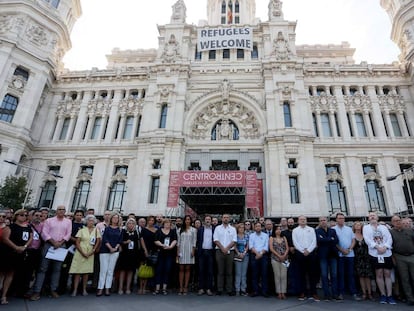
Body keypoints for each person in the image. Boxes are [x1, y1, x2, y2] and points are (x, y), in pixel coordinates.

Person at [30, 205, 72, 301]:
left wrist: (60, 243)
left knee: (57, 269)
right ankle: (37, 291)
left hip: (61, 247)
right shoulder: (49, 221)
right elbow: (44, 232)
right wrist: (53, 242)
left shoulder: (68, 221)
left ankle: (53, 290)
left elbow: (68, 234)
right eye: (59, 209)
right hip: (49, 245)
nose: (61, 211)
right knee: (42, 269)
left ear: (65, 211)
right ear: (56, 211)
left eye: (63, 210)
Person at [1, 209, 33, 304]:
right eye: (21, 215)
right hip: (8, 253)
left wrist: (25, 247)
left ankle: (4, 296)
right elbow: (5, 239)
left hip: (20, 254)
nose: (24, 216)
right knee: (2, 274)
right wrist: (16, 247)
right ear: (16, 215)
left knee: (10, 274)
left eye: (26, 215)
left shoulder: (28, 227)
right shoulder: (10, 227)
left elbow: (31, 237)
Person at [363, 212, 395, 304]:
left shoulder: (384, 227)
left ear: (377, 217)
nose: (372, 216)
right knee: (379, 274)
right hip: (375, 253)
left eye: (374, 215)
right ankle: (383, 294)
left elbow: (389, 238)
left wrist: (385, 247)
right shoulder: (366, 228)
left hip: (386, 253)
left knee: (387, 274)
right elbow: (367, 239)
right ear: (368, 218)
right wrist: (377, 247)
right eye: (370, 216)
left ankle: (389, 295)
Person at [69, 214, 101, 296]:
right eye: (89, 220)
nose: (91, 222)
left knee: (86, 272)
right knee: (77, 272)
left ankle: (84, 289)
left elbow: (98, 241)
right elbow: (77, 242)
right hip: (80, 252)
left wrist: (93, 251)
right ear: (86, 221)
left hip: (90, 252)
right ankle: (75, 290)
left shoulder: (96, 230)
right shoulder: (82, 230)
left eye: (92, 220)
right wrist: (82, 252)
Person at [333, 212, 360, 301]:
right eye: (339, 218)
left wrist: (349, 249)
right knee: (340, 274)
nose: (341, 220)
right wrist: (342, 250)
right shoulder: (333, 229)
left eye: (342, 218)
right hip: (340, 255)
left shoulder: (349, 229)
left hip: (350, 255)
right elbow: (334, 243)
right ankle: (340, 292)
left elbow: (353, 241)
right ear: (336, 219)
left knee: (351, 274)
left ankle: (353, 292)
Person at [292, 215, 319, 301]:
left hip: (311, 253)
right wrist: (302, 251)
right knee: (301, 274)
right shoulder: (295, 230)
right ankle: (302, 292)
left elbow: (314, 241)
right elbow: (295, 242)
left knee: (312, 274)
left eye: (304, 219)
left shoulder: (311, 229)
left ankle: (313, 293)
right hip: (300, 254)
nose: (303, 221)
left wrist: (309, 250)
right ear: (298, 221)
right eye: (301, 219)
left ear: (306, 221)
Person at [97, 213, 122, 297]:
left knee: (110, 271)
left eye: (117, 218)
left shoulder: (120, 229)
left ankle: (107, 288)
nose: (115, 219)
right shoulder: (107, 228)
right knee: (103, 270)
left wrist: (115, 248)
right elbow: (105, 239)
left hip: (115, 251)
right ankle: (100, 288)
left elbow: (120, 240)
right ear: (111, 219)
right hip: (105, 251)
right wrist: (110, 248)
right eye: (114, 218)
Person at [390, 215, 414, 305]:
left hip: (411, 256)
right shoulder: (391, 232)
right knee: (405, 279)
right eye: (395, 221)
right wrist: (393, 258)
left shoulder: (410, 231)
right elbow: (390, 246)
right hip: (399, 257)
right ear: (392, 223)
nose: (398, 222)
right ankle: (410, 298)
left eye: (399, 220)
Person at [316, 216, 339, 301]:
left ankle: (335, 294)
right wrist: (330, 239)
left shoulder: (333, 230)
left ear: (327, 221)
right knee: (324, 275)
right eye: (321, 220)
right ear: (319, 222)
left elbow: (336, 240)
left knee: (334, 275)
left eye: (324, 220)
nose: (323, 222)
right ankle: (326, 295)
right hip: (323, 256)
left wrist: (325, 239)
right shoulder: (317, 231)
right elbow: (319, 240)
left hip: (333, 255)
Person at [213, 214, 237, 296]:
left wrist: (226, 248)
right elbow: (215, 239)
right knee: (220, 271)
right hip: (219, 251)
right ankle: (219, 289)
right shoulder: (217, 228)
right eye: (224, 217)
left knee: (229, 271)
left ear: (229, 219)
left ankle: (229, 289)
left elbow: (234, 240)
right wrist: (223, 248)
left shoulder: (233, 229)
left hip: (230, 251)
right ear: (222, 219)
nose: (225, 219)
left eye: (227, 217)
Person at [118, 218, 141, 295]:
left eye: (132, 223)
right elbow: (120, 241)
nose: (131, 225)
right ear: (127, 224)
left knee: (130, 271)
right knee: (123, 271)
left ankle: (128, 288)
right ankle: (120, 288)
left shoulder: (136, 232)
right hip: (124, 253)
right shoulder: (123, 231)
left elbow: (138, 243)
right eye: (129, 223)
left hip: (133, 254)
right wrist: (125, 242)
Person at [153, 218, 177, 295]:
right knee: (159, 270)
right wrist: (162, 245)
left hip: (169, 253)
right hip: (160, 253)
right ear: (163, 224)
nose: (167, 224)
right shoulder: (159, 231)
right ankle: (157, 288)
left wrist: (170, 246)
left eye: (169, 223)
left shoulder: (173, 231)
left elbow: (175, 240)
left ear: (170, 224)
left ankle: (164, 289)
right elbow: (156, 240)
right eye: (166, 223)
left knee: (167, 270)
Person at [353, 221, 374, 301]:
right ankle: (364, 293)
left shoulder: (365, 235)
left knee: (368, 275)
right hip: (358, 258)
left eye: (359, 225)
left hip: (366, 257)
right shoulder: (353, 235)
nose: (358, 226)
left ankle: (370, 293)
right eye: (356, 225)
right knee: (361, 276)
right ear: (354, 227)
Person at [177, 215, 197, 295]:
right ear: (184, 221)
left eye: (189, 219)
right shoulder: (180, 230)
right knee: (181, 269)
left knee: (188, 269)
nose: (187, 221)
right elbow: (178, 242)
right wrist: (177, 252)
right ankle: (181, 287)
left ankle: (186, 287)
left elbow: (194, 241)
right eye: (186, 219)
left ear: (190, 221)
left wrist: (193, 251)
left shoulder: (194, 230)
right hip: (181, 250)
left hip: (189, 250)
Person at [249, 222, 269, 297]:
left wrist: (260, 254)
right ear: (254, 228)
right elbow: (251, 246)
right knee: (254, 274)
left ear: (261, 227)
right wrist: (257, 254)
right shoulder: (251, 235)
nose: (258, 227)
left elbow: (266, 246)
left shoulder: (265, 235)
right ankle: (255, 291)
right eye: (256, 226)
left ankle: (264, 291)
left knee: (264, 274)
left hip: (263, 256)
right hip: (254, 255)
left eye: (259, 226)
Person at [197, 215, 215, 296]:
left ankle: (208, 289)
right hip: (202, 252)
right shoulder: (200, 230)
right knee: (201, 271)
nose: (207, 220)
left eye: (209, 219)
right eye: (206, 219)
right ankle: (201, 288)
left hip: (211, 252)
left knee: (210, 271)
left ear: (211, 221)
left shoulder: (214, 229)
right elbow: (198, 241)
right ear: (204, 221)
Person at [269, 225, 288, 299]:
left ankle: (283, 292)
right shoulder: (271, 238)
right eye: (277, 229)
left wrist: (284, 256)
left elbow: (287, 248)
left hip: (284, 259)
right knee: (277, 276)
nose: (279, 231)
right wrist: (279, 256)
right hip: (275, 258)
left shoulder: (284, 238)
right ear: (274, 230)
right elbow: (271, 248)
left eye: (280, 229)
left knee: (283, 276)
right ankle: (279, 292)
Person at [139, 215, 157, 294]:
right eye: (150, 220)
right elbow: (142, 240)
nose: (151, 222)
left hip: (153, 251)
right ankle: (140, 287)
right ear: (147, 221)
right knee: (142, 268)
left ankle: (145, 287)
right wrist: (145, 250)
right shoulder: (144, 229)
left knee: (149, 269)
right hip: (144, 250)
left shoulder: (156, 230)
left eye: (153, 220)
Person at [234, 223, 249, 296]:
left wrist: (244, 252)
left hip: (245, 255)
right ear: (238, 228)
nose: (242, 229)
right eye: (240, 228)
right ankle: (237, 289)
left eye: (243, 228)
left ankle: (243, 289)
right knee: (238, 273)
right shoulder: (235, 236)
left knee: (244, 273)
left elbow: (247, 245)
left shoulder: (246, 236)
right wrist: (239, 253)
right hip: (237, 256)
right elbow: (234, 246)